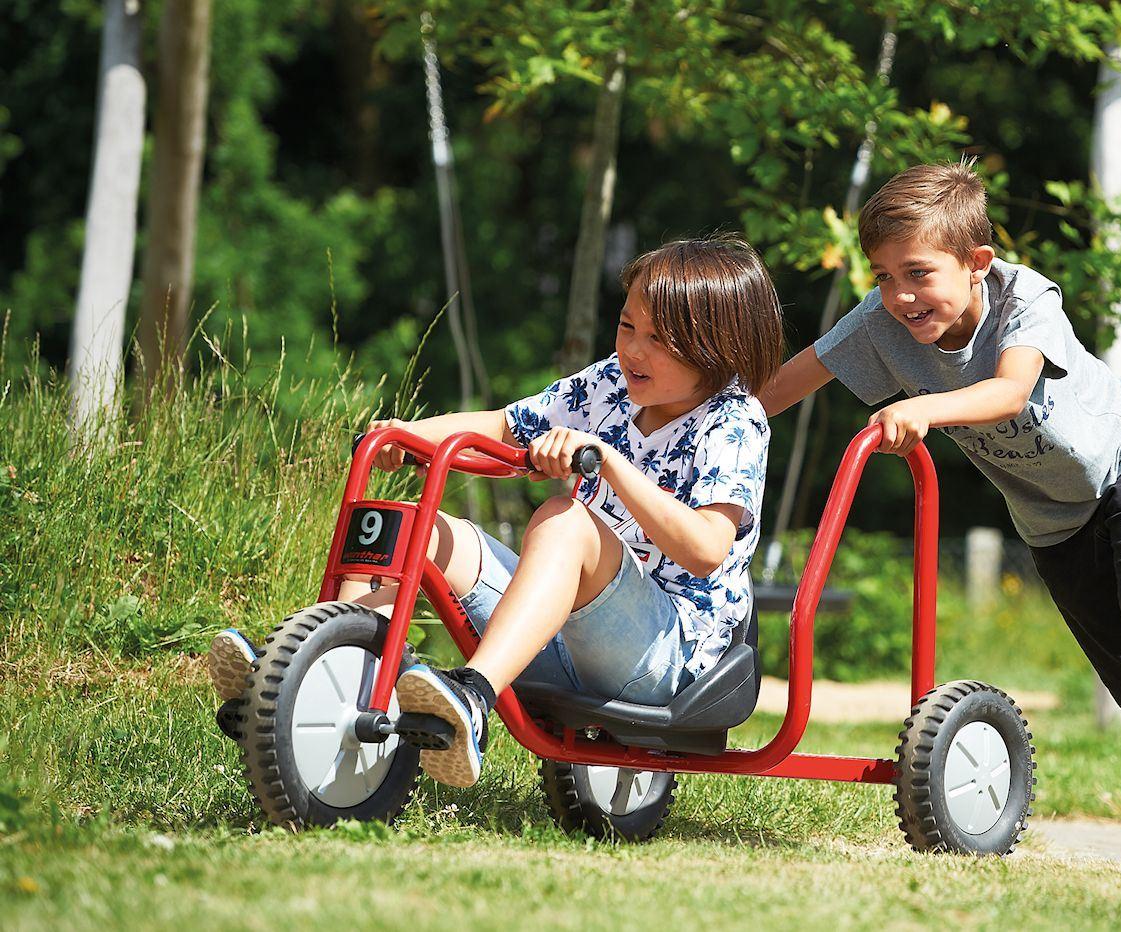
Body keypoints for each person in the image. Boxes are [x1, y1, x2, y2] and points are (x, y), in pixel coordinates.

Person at [758, 161, 1121, 862]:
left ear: (977, 263)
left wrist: (920, 406)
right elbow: (784, 384)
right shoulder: (879, 324)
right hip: (1053, 518)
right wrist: (698, 419)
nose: (898, 295)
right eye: (883, 275)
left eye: (917, 273)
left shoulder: (1023, 297)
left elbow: (1010, 391)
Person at [211, 237, 782, 789]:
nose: (633, 349)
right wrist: (410, 436)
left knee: (564, 521)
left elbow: (707, 549)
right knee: (416, 527)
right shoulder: (611, 384)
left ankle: (474, 699)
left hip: (666, 658)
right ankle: (317, 675)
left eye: (658, 339)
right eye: (627, 325)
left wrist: (606, 464)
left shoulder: (732, 422)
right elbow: (504, 426)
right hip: (563, 635)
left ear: (715, 348)